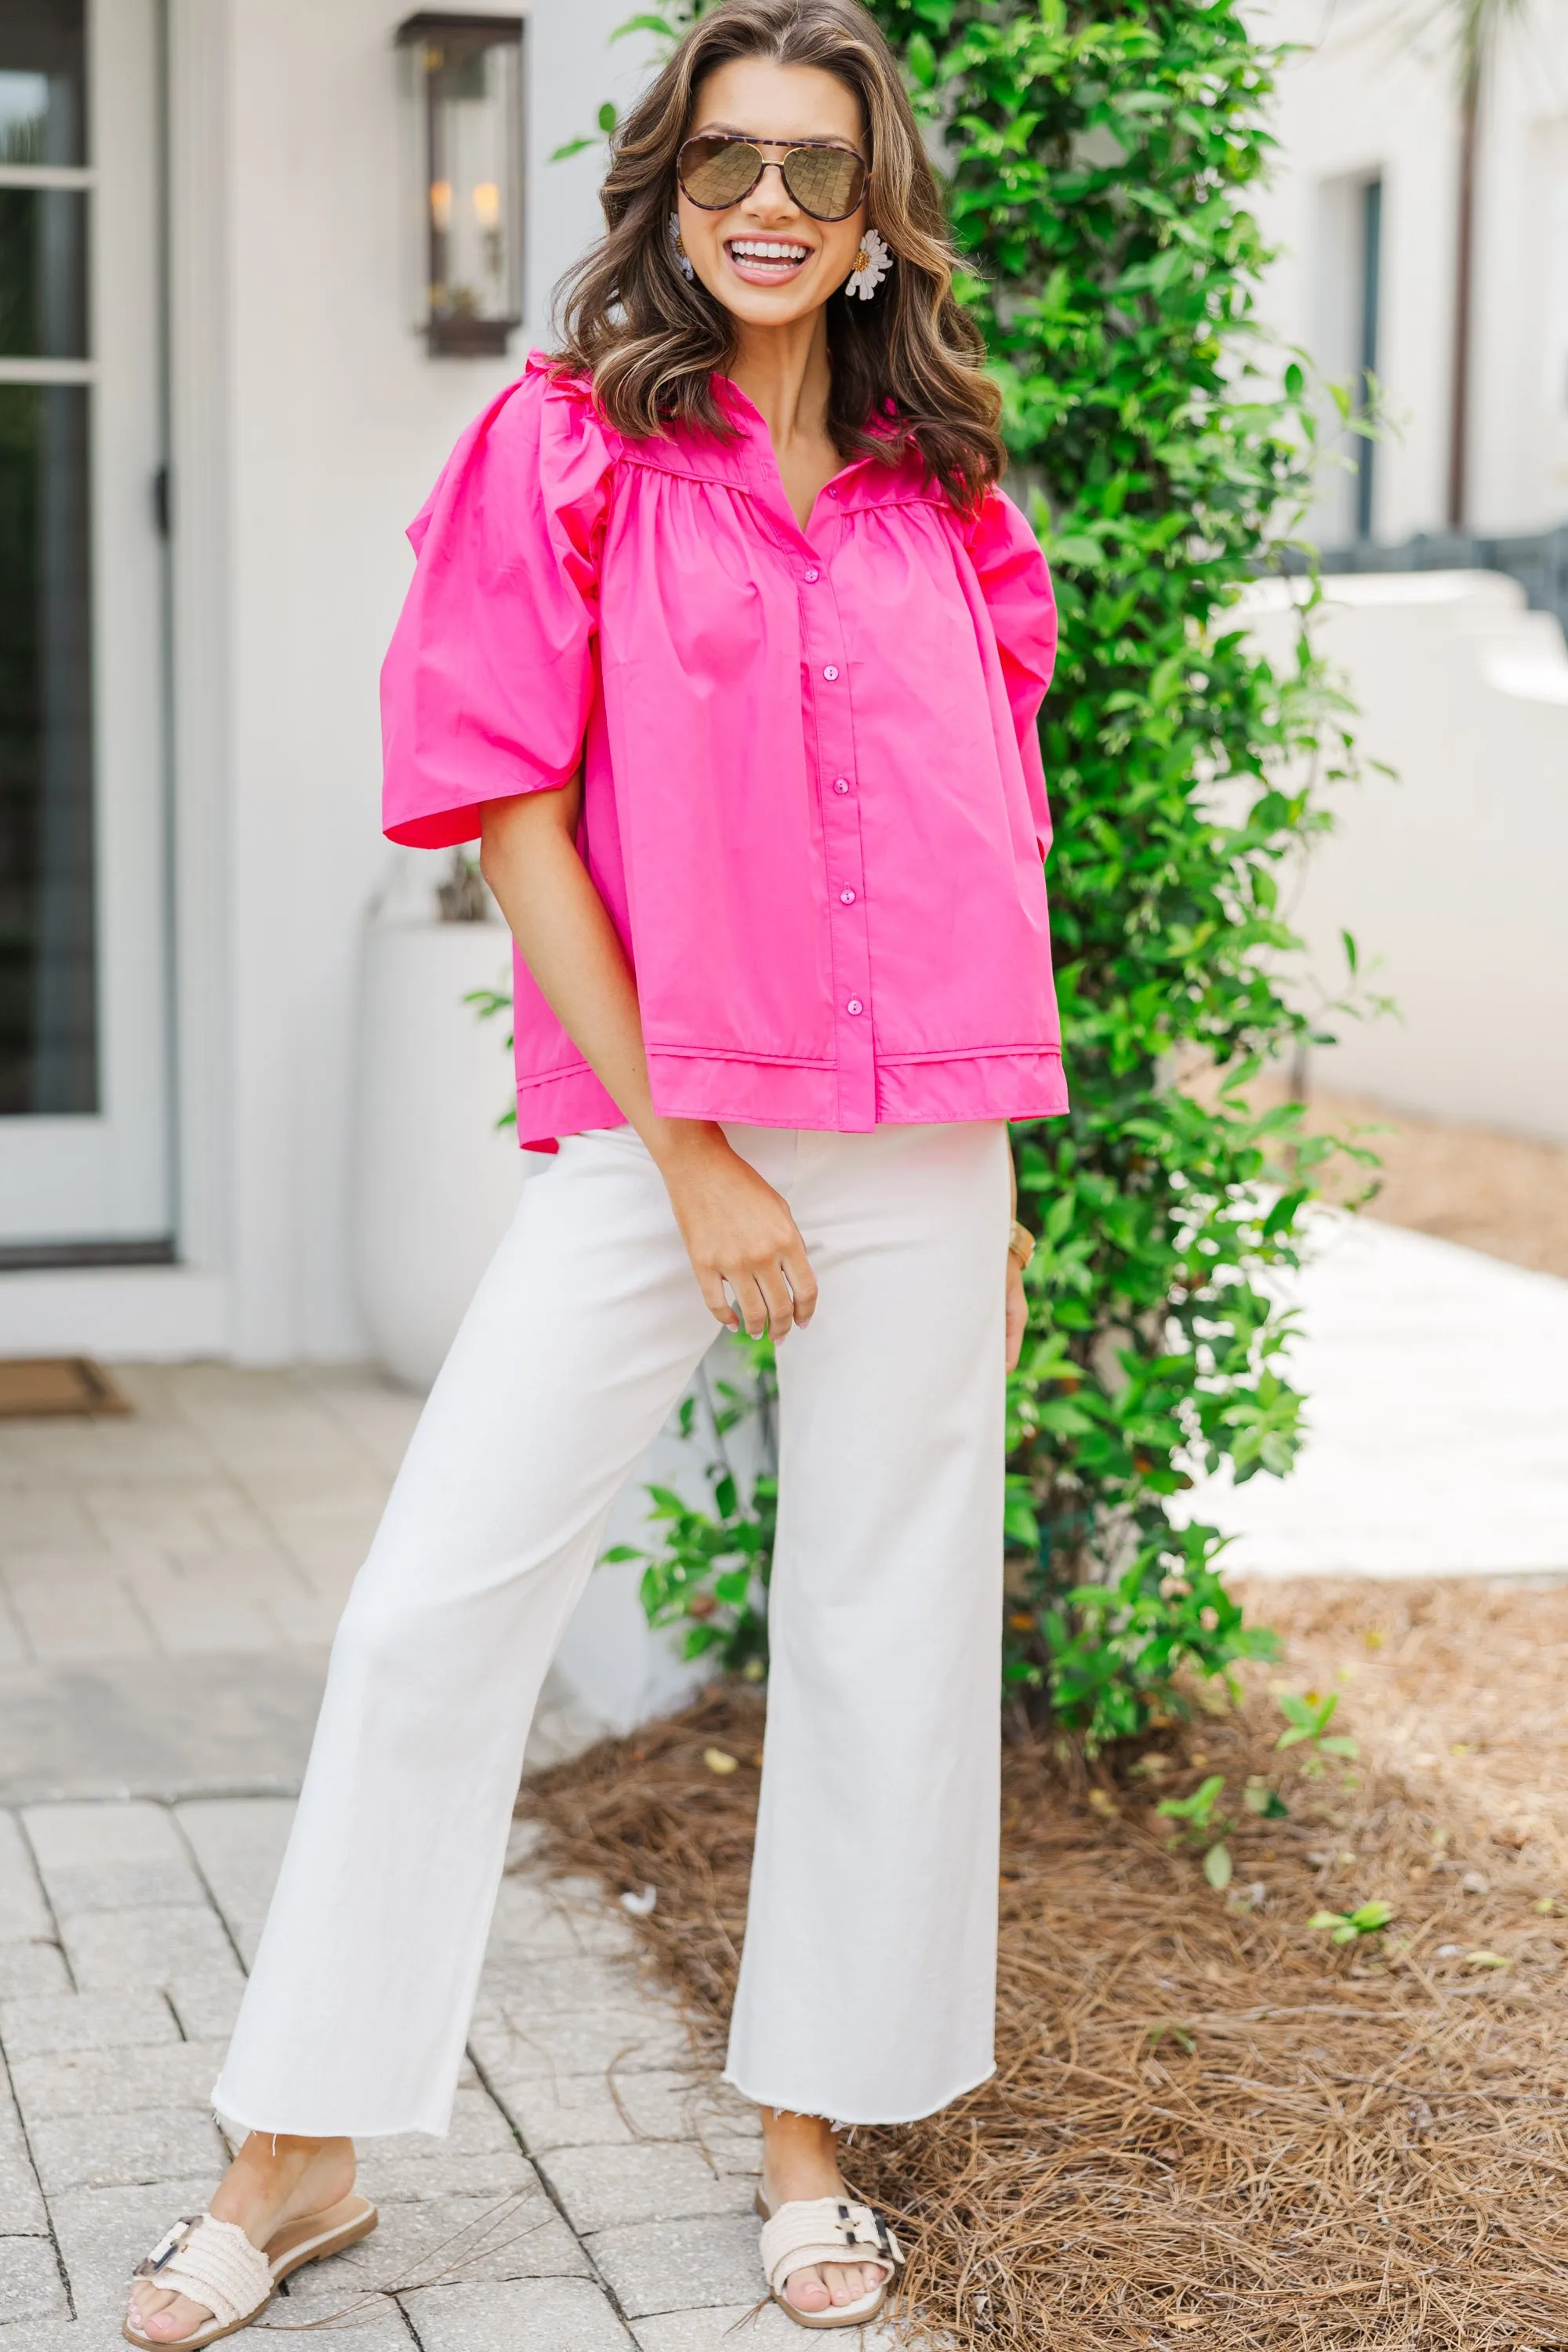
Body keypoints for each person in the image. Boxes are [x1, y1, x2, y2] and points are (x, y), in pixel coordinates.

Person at [124, 0, 1063, 2338]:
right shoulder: (565, 451)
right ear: (660, 186)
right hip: (672, 1135)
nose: (769, 201)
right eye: (727, 158)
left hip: (931, 1136)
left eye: (817, 169)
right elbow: (512, 809)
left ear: (876, 216)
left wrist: (995, 1192)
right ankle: (299, 2147)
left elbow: (987, 827)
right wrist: (695, 1157)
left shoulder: (947, 488)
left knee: (880, 1625)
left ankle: (811, 2148)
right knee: (435, 1608)